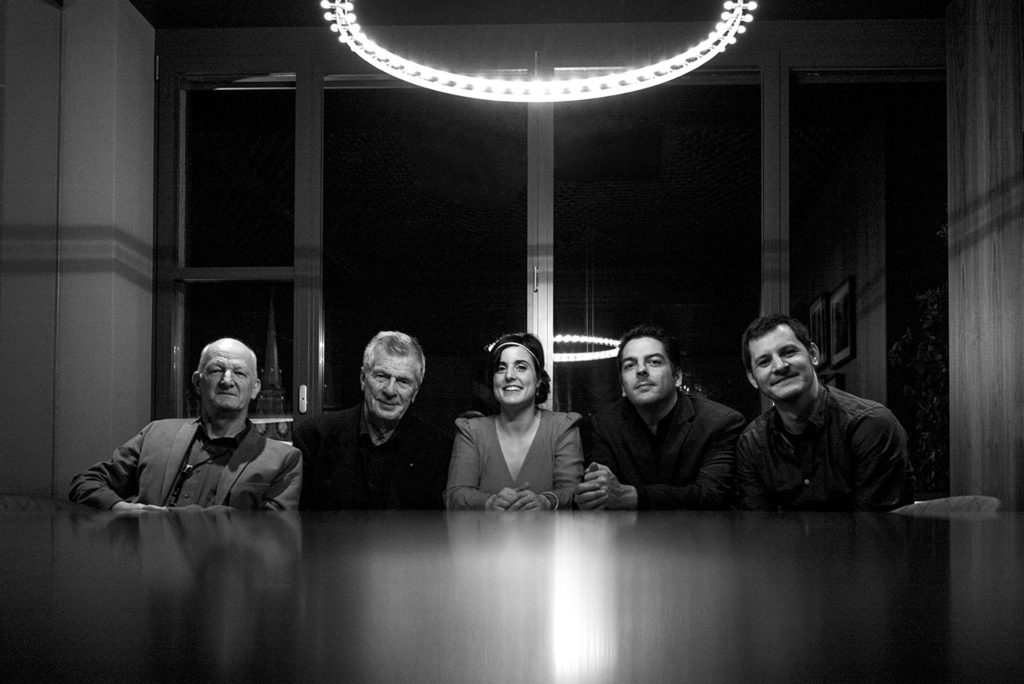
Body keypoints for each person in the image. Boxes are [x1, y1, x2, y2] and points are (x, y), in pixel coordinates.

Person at [69, 338, 302, 511]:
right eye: (216, 370)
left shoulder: (284, 459)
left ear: (255, 388)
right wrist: (119, 507)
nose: (227, 380)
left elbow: (272, 530)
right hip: (147, 560)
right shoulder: (155, 434)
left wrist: (167, 516)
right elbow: (86, 483)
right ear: (197, 382)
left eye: (239, 373)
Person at [735, 313, 915, 511]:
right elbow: (760, 525)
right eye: (764, 362)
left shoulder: (871, 425)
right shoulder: (752, 443)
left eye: (788, 352)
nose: (779, 366)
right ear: (752, 379)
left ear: (813, 354)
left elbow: (875, 525)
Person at [575, 324, 745, 510]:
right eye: (630, 365)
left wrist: (634, 497)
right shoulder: (603, 425)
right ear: (622, 385)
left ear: (677, 376)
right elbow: (604, 493)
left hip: (702, 528)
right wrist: (593, 493)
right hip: (625, 528)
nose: (641, 370)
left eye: (654, 362)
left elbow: (712, 495)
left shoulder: (719, 422)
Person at [294, 331, 451, 509]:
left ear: (415, 392)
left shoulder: (438, 449)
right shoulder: (314, 438)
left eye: (403, 381)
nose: (390, 391)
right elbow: (298, 519)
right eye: (381, 376)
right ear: (363, 379)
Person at [445, 332, 583, 510]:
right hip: (484, 529)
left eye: (521, 367)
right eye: (500, 368)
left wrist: (547, 501)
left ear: (539, 379)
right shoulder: (471, 431)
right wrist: (488, 502)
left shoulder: (563, 427)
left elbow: (573, 492)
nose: (509, 375)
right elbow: (455, 495)